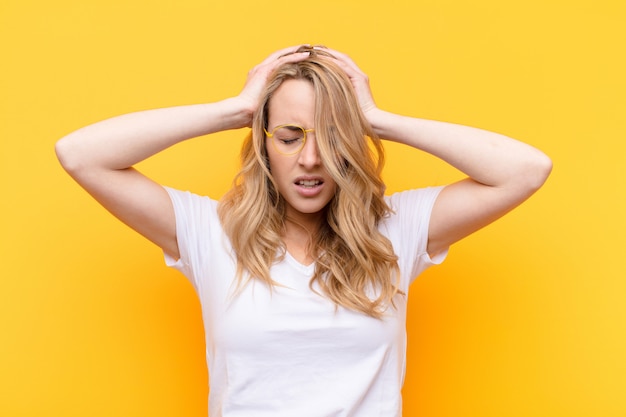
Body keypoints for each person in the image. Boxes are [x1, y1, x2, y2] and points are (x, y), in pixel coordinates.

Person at [55, 45, 552, 416]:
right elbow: (80, 154)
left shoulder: (396, 233)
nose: (311, 159)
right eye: (290, 137)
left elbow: (527, 169)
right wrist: (237, 111)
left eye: (332, 138)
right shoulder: (210, 234)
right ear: (264, 142)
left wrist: (378, 120)